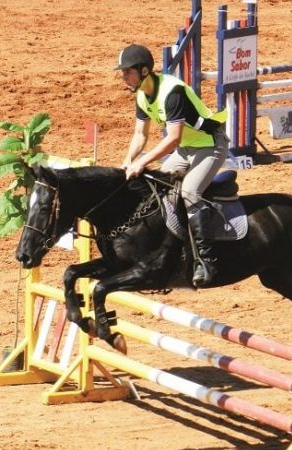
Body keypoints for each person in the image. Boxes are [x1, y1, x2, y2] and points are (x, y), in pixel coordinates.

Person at [115, 43, 229, 287]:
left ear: (144, 71)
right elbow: (140, 134)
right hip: (185, 149)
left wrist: (143, 161)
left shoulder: (172, 93)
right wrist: (128, 161)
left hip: (211, 145)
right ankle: (165, 252)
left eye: (127, 72)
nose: (123, 77)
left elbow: (173, 137)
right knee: (156, 189)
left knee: (190, 192)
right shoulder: (141, 94)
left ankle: (206, 260)